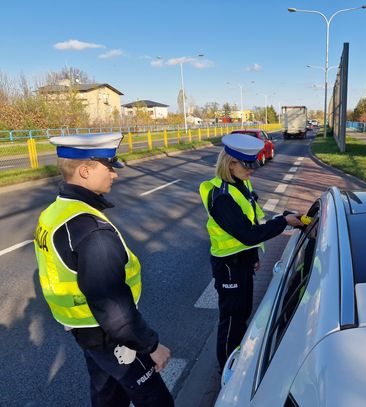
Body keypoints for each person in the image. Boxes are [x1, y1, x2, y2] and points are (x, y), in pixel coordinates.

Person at [34, 133, 174, 407]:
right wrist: (152, 346)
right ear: (85, 171)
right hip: (110, 335)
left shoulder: (56, 210)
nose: (115, 174)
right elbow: (112, 305)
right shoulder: (91, 229)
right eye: (109, 167)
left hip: (85, 329)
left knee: (107, 396)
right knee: (156, 400)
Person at [199, 133, 304, 370]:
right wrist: (284, 221)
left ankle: (237, 355)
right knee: (232, 317)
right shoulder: (222, 197)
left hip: (242, 259)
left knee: (243, 310)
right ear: (230, 164)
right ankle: (226, 368)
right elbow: (247, 234)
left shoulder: (240, 183)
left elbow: (252, 221)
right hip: (228, 265)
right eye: (247, 165)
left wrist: (253, 255)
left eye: (253, 163)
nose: (252, 170)